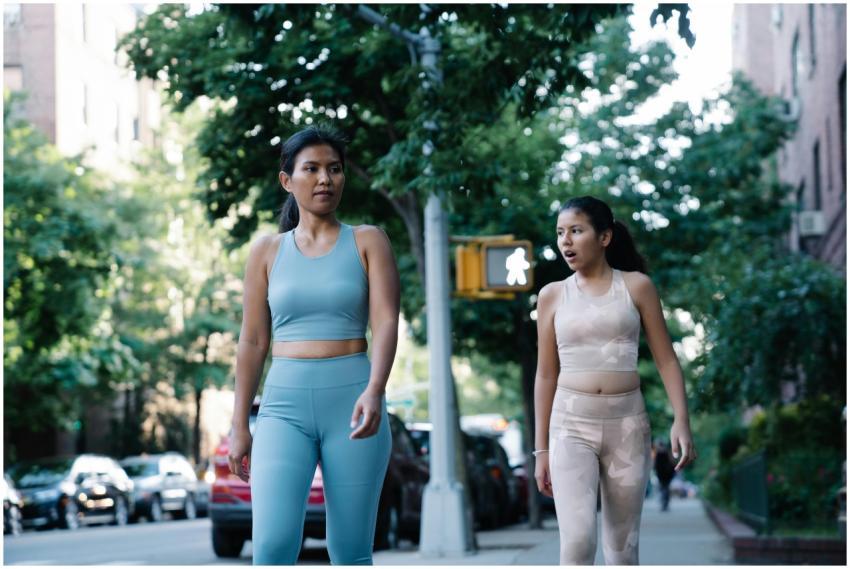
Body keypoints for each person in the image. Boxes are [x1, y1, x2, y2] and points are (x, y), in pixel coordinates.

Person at [227, 126, 400, 565]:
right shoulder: (266, 251)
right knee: (272, 547)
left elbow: (385, 321)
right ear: (288, 180)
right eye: (312, 169)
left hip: (355, 401)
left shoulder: (368, 240)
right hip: (283, 405)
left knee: (350, 551)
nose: (326, 179)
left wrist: (375, 389)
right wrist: (239, 425)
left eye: (334, 169)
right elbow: (252, 340)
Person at [533, 196, 696, 565]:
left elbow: (666, 359)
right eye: (560, 233)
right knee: (577, 543)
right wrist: (541, 450)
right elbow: (545, 374)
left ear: (604, 237)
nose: (566, 241)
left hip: (628, 425)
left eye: (576, 231)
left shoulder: (637, 287)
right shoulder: (552, 295)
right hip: (570, 426)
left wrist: (681, 420)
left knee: (623, 550)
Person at [653, 438, 676, 512]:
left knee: (663, 488)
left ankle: (664, 503)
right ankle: (665, 503)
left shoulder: (658, 453)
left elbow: (655, 464)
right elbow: (672, 462)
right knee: (666, 488)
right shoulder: (667, 452)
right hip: (667, 473)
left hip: (662, 473)